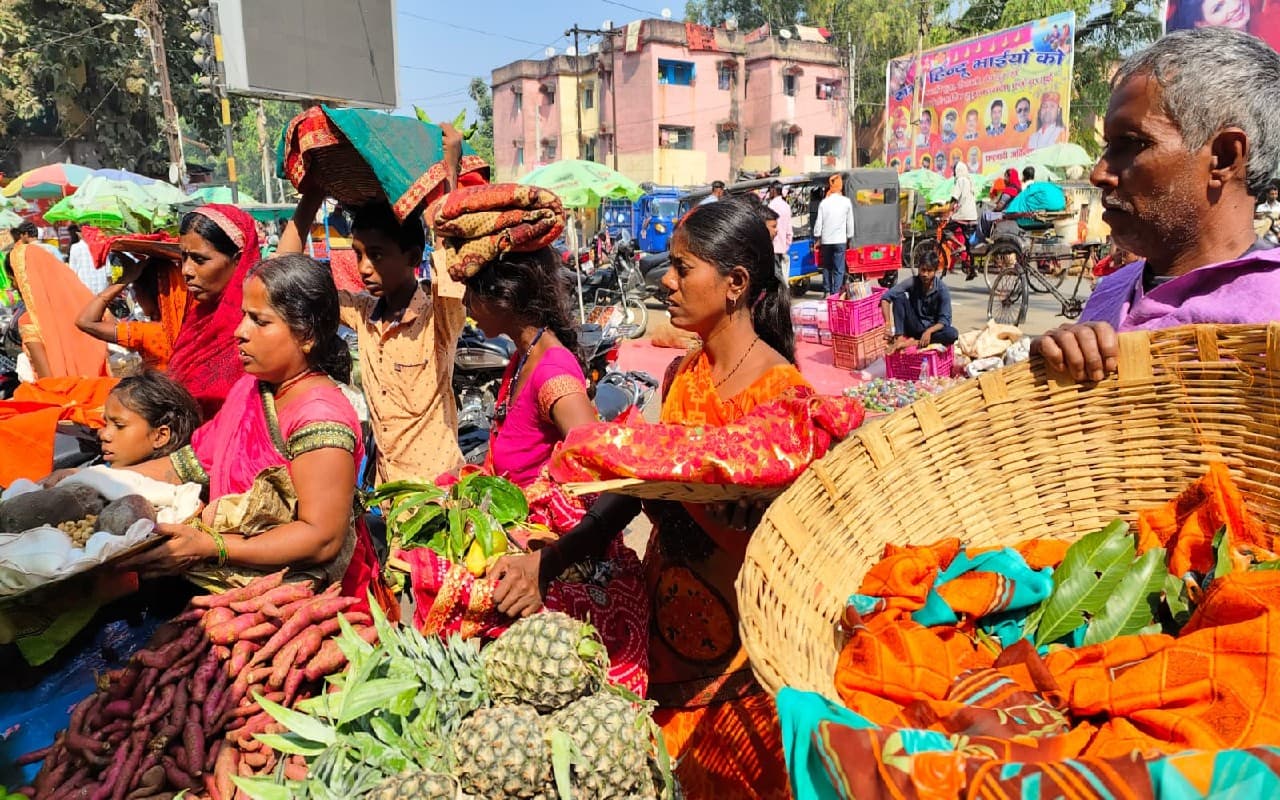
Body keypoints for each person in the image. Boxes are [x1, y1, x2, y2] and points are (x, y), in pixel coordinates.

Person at [493, 198, 804, 799]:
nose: (666, 280)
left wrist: (734, 512)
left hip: (740, 659)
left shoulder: (781, 398)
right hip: (663, 638)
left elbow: (784, 540)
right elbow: (634, 490)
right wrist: (548, 560)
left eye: (684, 269)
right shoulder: (681, 375)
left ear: (736, 284)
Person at [122, 254, 381, 601]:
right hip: (237, 585)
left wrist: (212, 546)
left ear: (305, 335)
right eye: (244, 315)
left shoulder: (319, 416)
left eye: (259, 320)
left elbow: (321, 538)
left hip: (304, 602)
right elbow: (189, 464)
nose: (239, 332)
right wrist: (96, 481)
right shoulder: (252, 388)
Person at [1035, 27, 1280, 382]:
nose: (1099, 173)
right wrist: (1051, 373)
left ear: (1225, 158)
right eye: (1107, 147)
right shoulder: (1110, 294)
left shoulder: (1269, 310)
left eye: (1131, 144)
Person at [281, 196, 467, 485]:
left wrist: (447, 177)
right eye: (358, 254)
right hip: (387, 488)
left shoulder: (438, 319)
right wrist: (311, 197)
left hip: (436, 492)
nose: (364, 268)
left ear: (413, 258)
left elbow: (452, 268)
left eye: (377, 255)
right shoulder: (363, 313)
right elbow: (287, 279)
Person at [463, 248, 596, 486]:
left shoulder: (553, 375)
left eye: (472, 291)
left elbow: (597, 477)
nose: (465, 302)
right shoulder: (523, 357)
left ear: (504, 294)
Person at [169, 204, 259, 418]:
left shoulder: (257, 327)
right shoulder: (197, 320)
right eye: (184, 257)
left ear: (238, 260)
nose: (186, 271)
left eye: (200, 260)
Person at [7, 239, 108, 379]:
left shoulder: (30, 321)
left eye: (13, 278)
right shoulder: (83, 306)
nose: (13, 285)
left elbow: (48, 381)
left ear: (25, 277)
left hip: (64, 395)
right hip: (97, 386)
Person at [75, 254, 189, 371]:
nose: (135, 297)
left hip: (160, 388)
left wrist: (123, 281)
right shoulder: (193, 324)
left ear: (149, 293)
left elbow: (85, 322)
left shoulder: (147, 333)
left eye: (136, 290)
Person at [98, 372, 201, 468]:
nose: (103, 435)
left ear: (160, 436)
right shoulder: (97, 473)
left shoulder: (170, 487)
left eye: (119, 425)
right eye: (106, 424)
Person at [881, 245, 958, 351]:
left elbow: (944, 320)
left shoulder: (942, 290)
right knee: (899, 297)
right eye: (923, 270)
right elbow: (886, 297)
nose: (925, 274)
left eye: (929, 271)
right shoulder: (913, 281)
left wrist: (929, 331)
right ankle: (899, 338)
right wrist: (888, 324)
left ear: (935, 271)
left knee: (952, 333)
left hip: (931, 330)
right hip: (913, 325)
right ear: (918, 268)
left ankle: (914, 342)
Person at [813, 173, 855, 296]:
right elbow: (850, 223)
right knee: (838, 269)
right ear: (840, 186)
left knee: (827, 267)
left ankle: (827, 291)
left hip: (826, 241)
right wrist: (849, 236)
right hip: (840, 241)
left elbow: (818, 224)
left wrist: (817, 236)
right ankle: (835, 293)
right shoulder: (846, 202)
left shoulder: (824, 203)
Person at [949, 162, 979, 277]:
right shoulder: (970, 182)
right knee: (968, 243)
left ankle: (959, 246)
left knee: (946, 230)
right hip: (973, 216)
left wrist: (948, 212)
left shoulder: (960, 180)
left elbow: (954, 198)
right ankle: (971, 269)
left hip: (963, 216)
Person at [67, 224, 107, 295]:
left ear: (79, 234)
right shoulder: (103, 245)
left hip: (84, 289)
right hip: (102, 290)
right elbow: (109, 273)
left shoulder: (75, 247)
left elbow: (72, 272)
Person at [767, 182, 793, 283]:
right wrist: (786, 245)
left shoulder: (771, 206)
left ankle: (781, 295)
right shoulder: (786, 206)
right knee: (780, 271)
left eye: (770, 190)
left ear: (773, 190)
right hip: (782, 246)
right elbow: (789, 229)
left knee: (776, 273)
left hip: (772, 246)